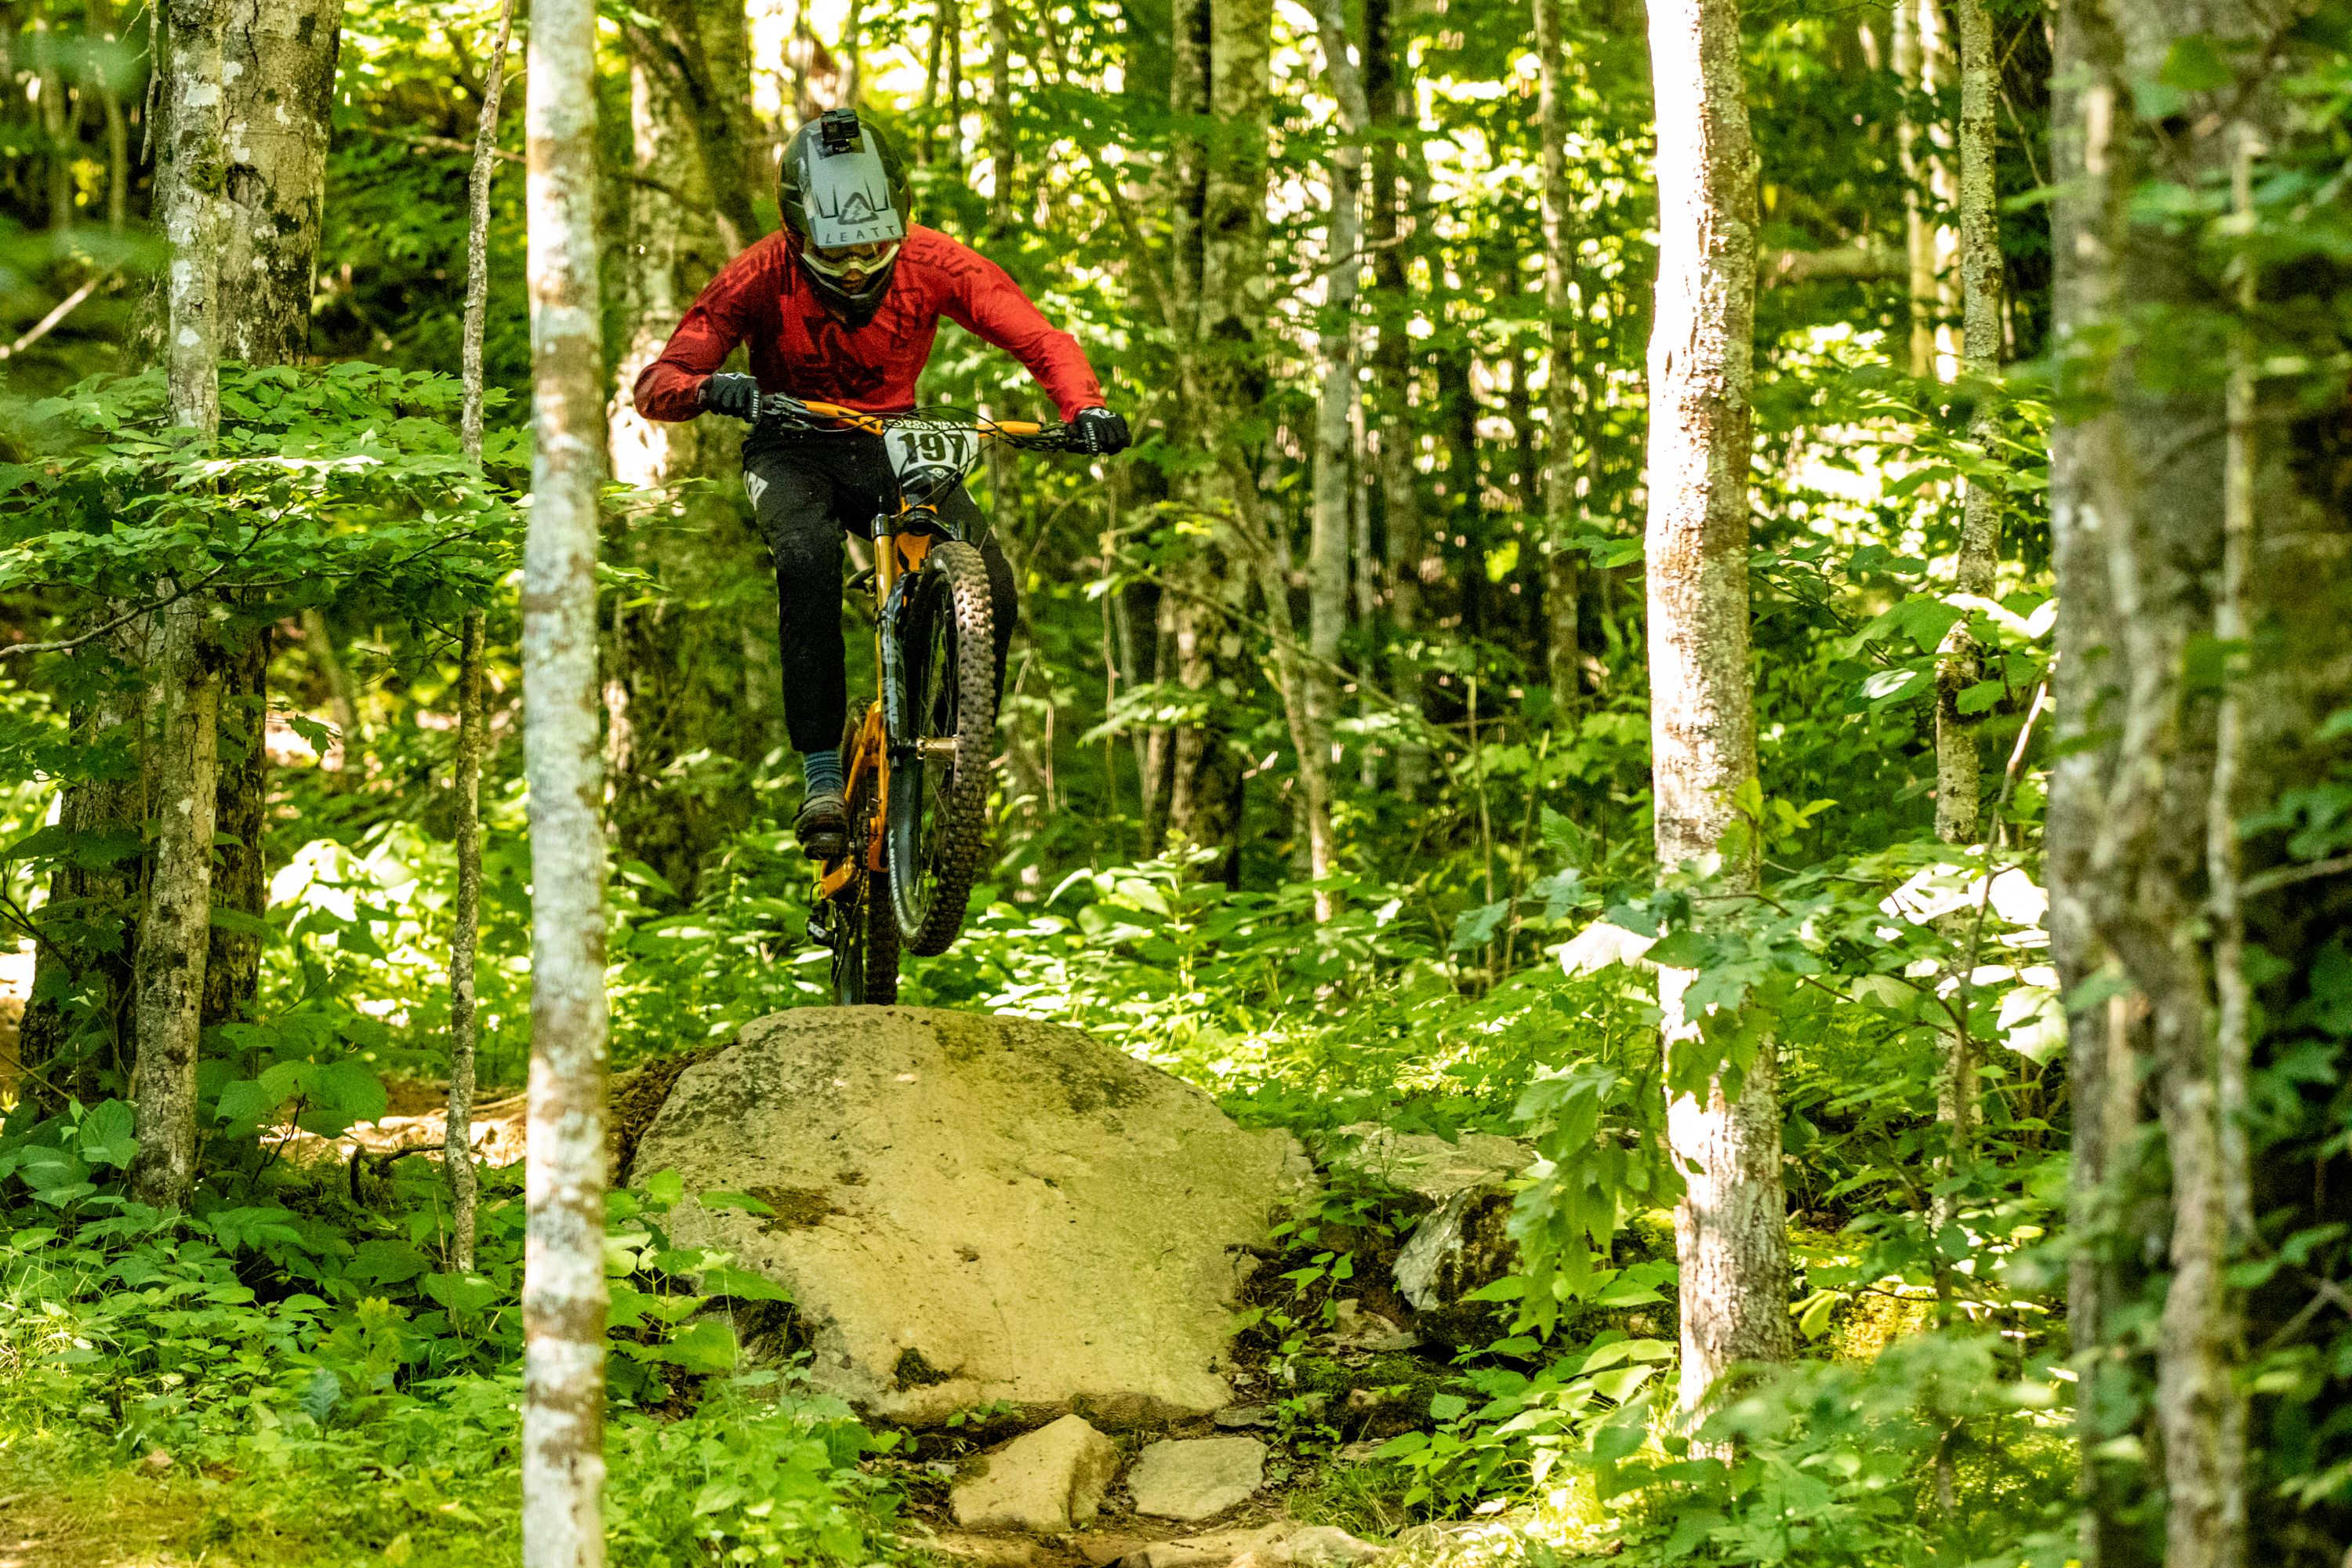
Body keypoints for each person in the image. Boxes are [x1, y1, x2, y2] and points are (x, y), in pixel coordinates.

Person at [632, 108, 1129, 859]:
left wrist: (1084, 406)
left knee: (991, 582)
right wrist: (712, 390)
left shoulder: (937, 263)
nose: (859, 264)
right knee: (805, 559)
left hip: (890, 439)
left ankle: (956, 764)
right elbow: (658, 382)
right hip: (793, 447)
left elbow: (1038, 336)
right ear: (800, 235)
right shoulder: (759, 273)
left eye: (873, 243)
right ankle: (823, 776)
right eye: (840, 248)